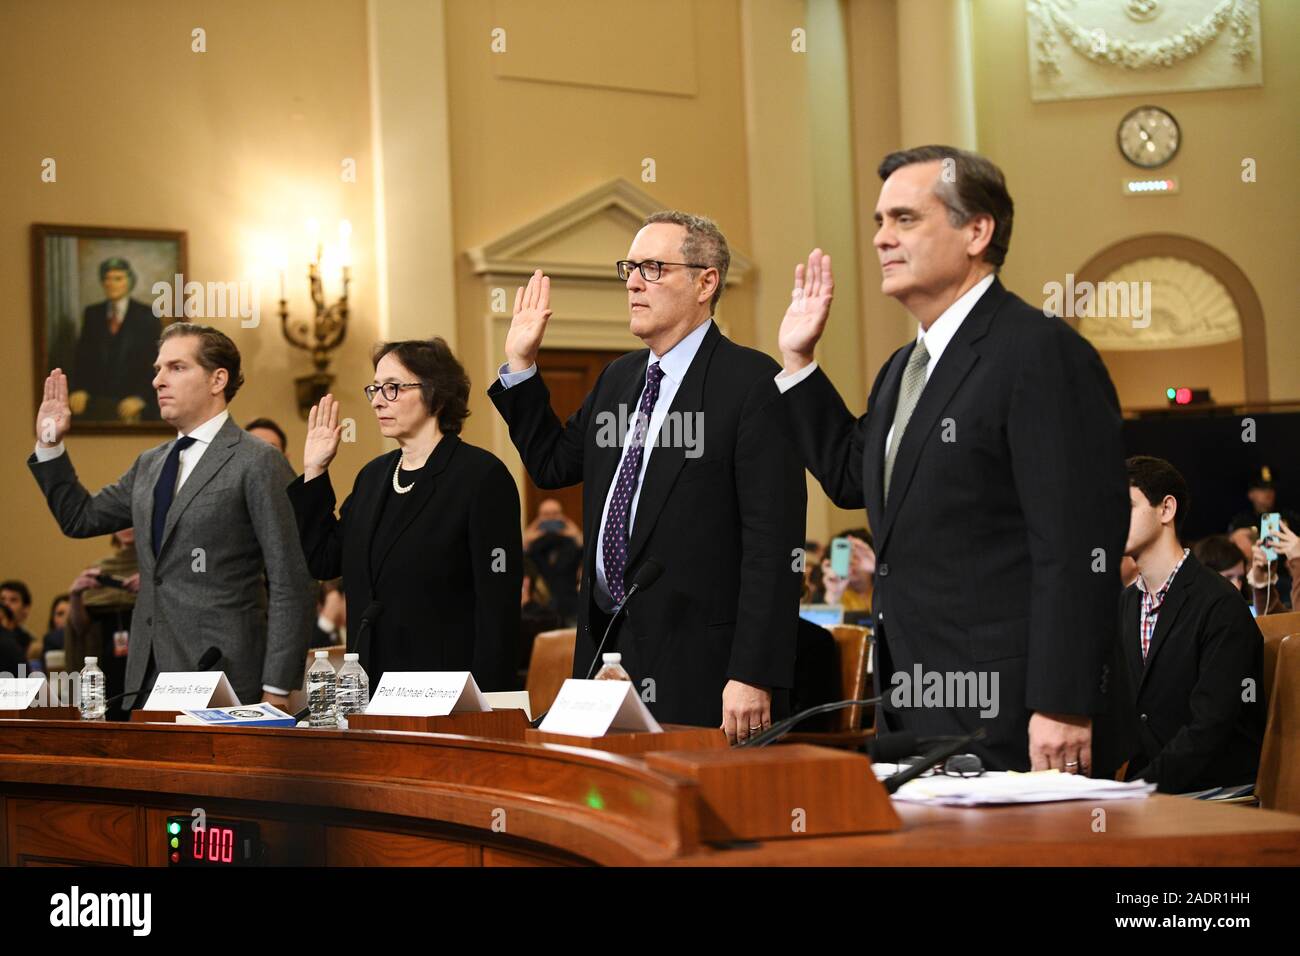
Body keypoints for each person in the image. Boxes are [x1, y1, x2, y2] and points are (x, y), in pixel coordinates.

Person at [774, 145, 1128, 772]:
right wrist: (800, 365)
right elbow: (853, 478)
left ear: (977, 231)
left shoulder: (1040, 353)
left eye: (905, 219)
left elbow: (1073, 546)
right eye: (879, 222)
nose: (882, 239)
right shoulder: (903, 369)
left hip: (1018, 710)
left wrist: (1064, 704)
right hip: (913, 703)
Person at [491, 211, 807, 739]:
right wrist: (521, 364)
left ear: (706, 282)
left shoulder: (750, 383)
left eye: (654, 268)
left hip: (704, 668)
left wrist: (753, 673)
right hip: (607, 656)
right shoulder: (619, 379)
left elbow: (773, 545)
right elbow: (551, 465)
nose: (633, 282)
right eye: (630, 268)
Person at [29, 323, 314, 708]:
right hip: (146, 678)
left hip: (226, 679)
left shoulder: (258, 461)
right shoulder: (150, 464)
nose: (158, 380)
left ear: (218, 379)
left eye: (176, 368)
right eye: (158, 369)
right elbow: (80, 517)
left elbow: (290, 582)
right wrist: (50, 444)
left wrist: (277, 690)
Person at [288, 338, 522, 691]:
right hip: (371, 687)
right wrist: (315, 470)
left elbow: (497, 610)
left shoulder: (480, 476)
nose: (378, 400)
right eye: (376, 389)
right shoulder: (373, 476)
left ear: (437, 395)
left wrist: (487, 706)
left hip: (444, 693)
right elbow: (323, 561)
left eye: (394, 388)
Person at [1109, 456, 1264, 793]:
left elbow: (1210, 726)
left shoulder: (1219, 603)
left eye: (1125, 506)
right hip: (1155, 789)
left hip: (1217, 790)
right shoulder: (1126, 602)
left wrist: (1134, 790)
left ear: (1166, 509)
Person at [69, 257, 162, 423]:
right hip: (97, 401)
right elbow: (83, 356)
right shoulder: (93, 313)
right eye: (107, 279)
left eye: (118, 279)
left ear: (129, 281)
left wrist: (141, 398)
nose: (111, 284)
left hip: (134, 404)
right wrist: (80, 389)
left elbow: (156, 362)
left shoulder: (147, 315)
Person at [0, 581, 36, 658]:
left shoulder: (29, 643)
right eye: (2, 599)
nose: (6, 604)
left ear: (25, 609)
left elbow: (22, 669)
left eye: (13, 600)